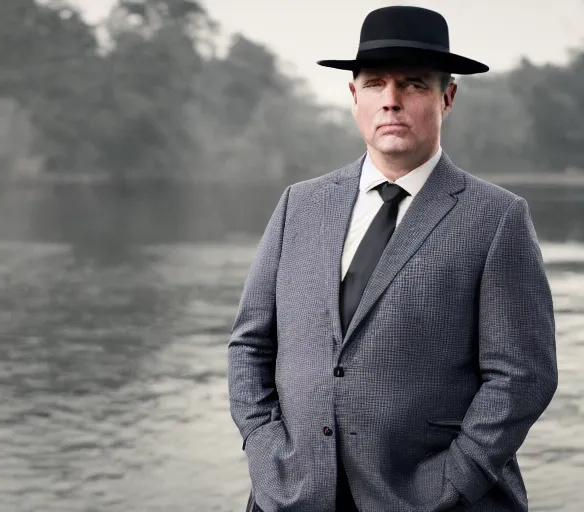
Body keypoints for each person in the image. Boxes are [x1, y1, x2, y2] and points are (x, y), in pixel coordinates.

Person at [227, 6, 558, 512]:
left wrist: (454, 481)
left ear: (447, 96)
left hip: (437, 501)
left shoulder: (497, 218)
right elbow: (250, 343)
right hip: (291, 495)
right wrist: (264, 447)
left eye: (413, 85)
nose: (391, 101)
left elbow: (522, 376)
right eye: (376, 83)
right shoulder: (300, 203)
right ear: (353, 95)